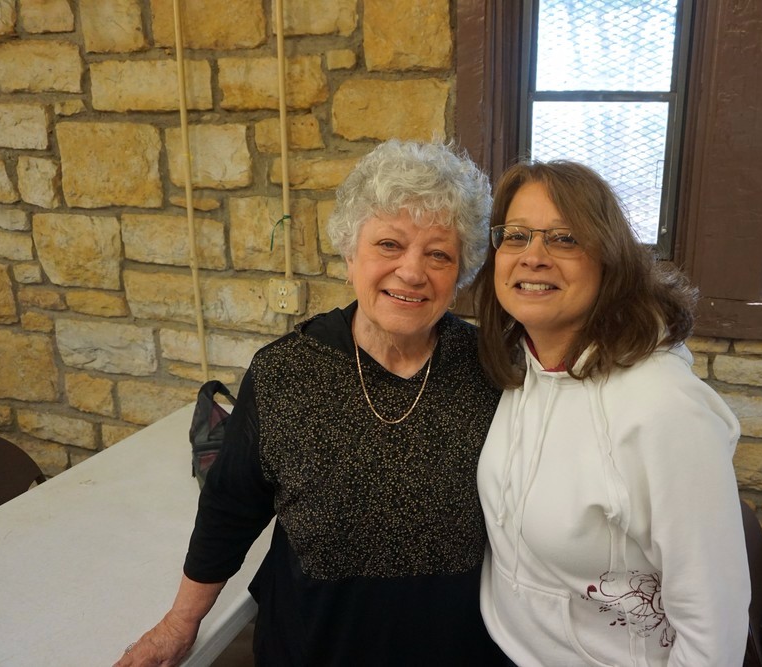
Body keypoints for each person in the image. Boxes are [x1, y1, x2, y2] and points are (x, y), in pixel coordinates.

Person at [115, 139, 507, 666]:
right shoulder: (284, 372)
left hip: (453, 650)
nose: (413, 271)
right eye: (389, 244)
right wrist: (179, 624)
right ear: (350, 255)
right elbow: (230, 509)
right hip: (312, 646)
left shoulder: (491, 369)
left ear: (460, 273)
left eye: (438, 254)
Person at [474, 160, 750, 666]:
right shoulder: (524, 367)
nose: (533, 257)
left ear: (610, 259)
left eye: (564, 239)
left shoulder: (664, 407)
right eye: (515, 236)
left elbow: (714, 625)